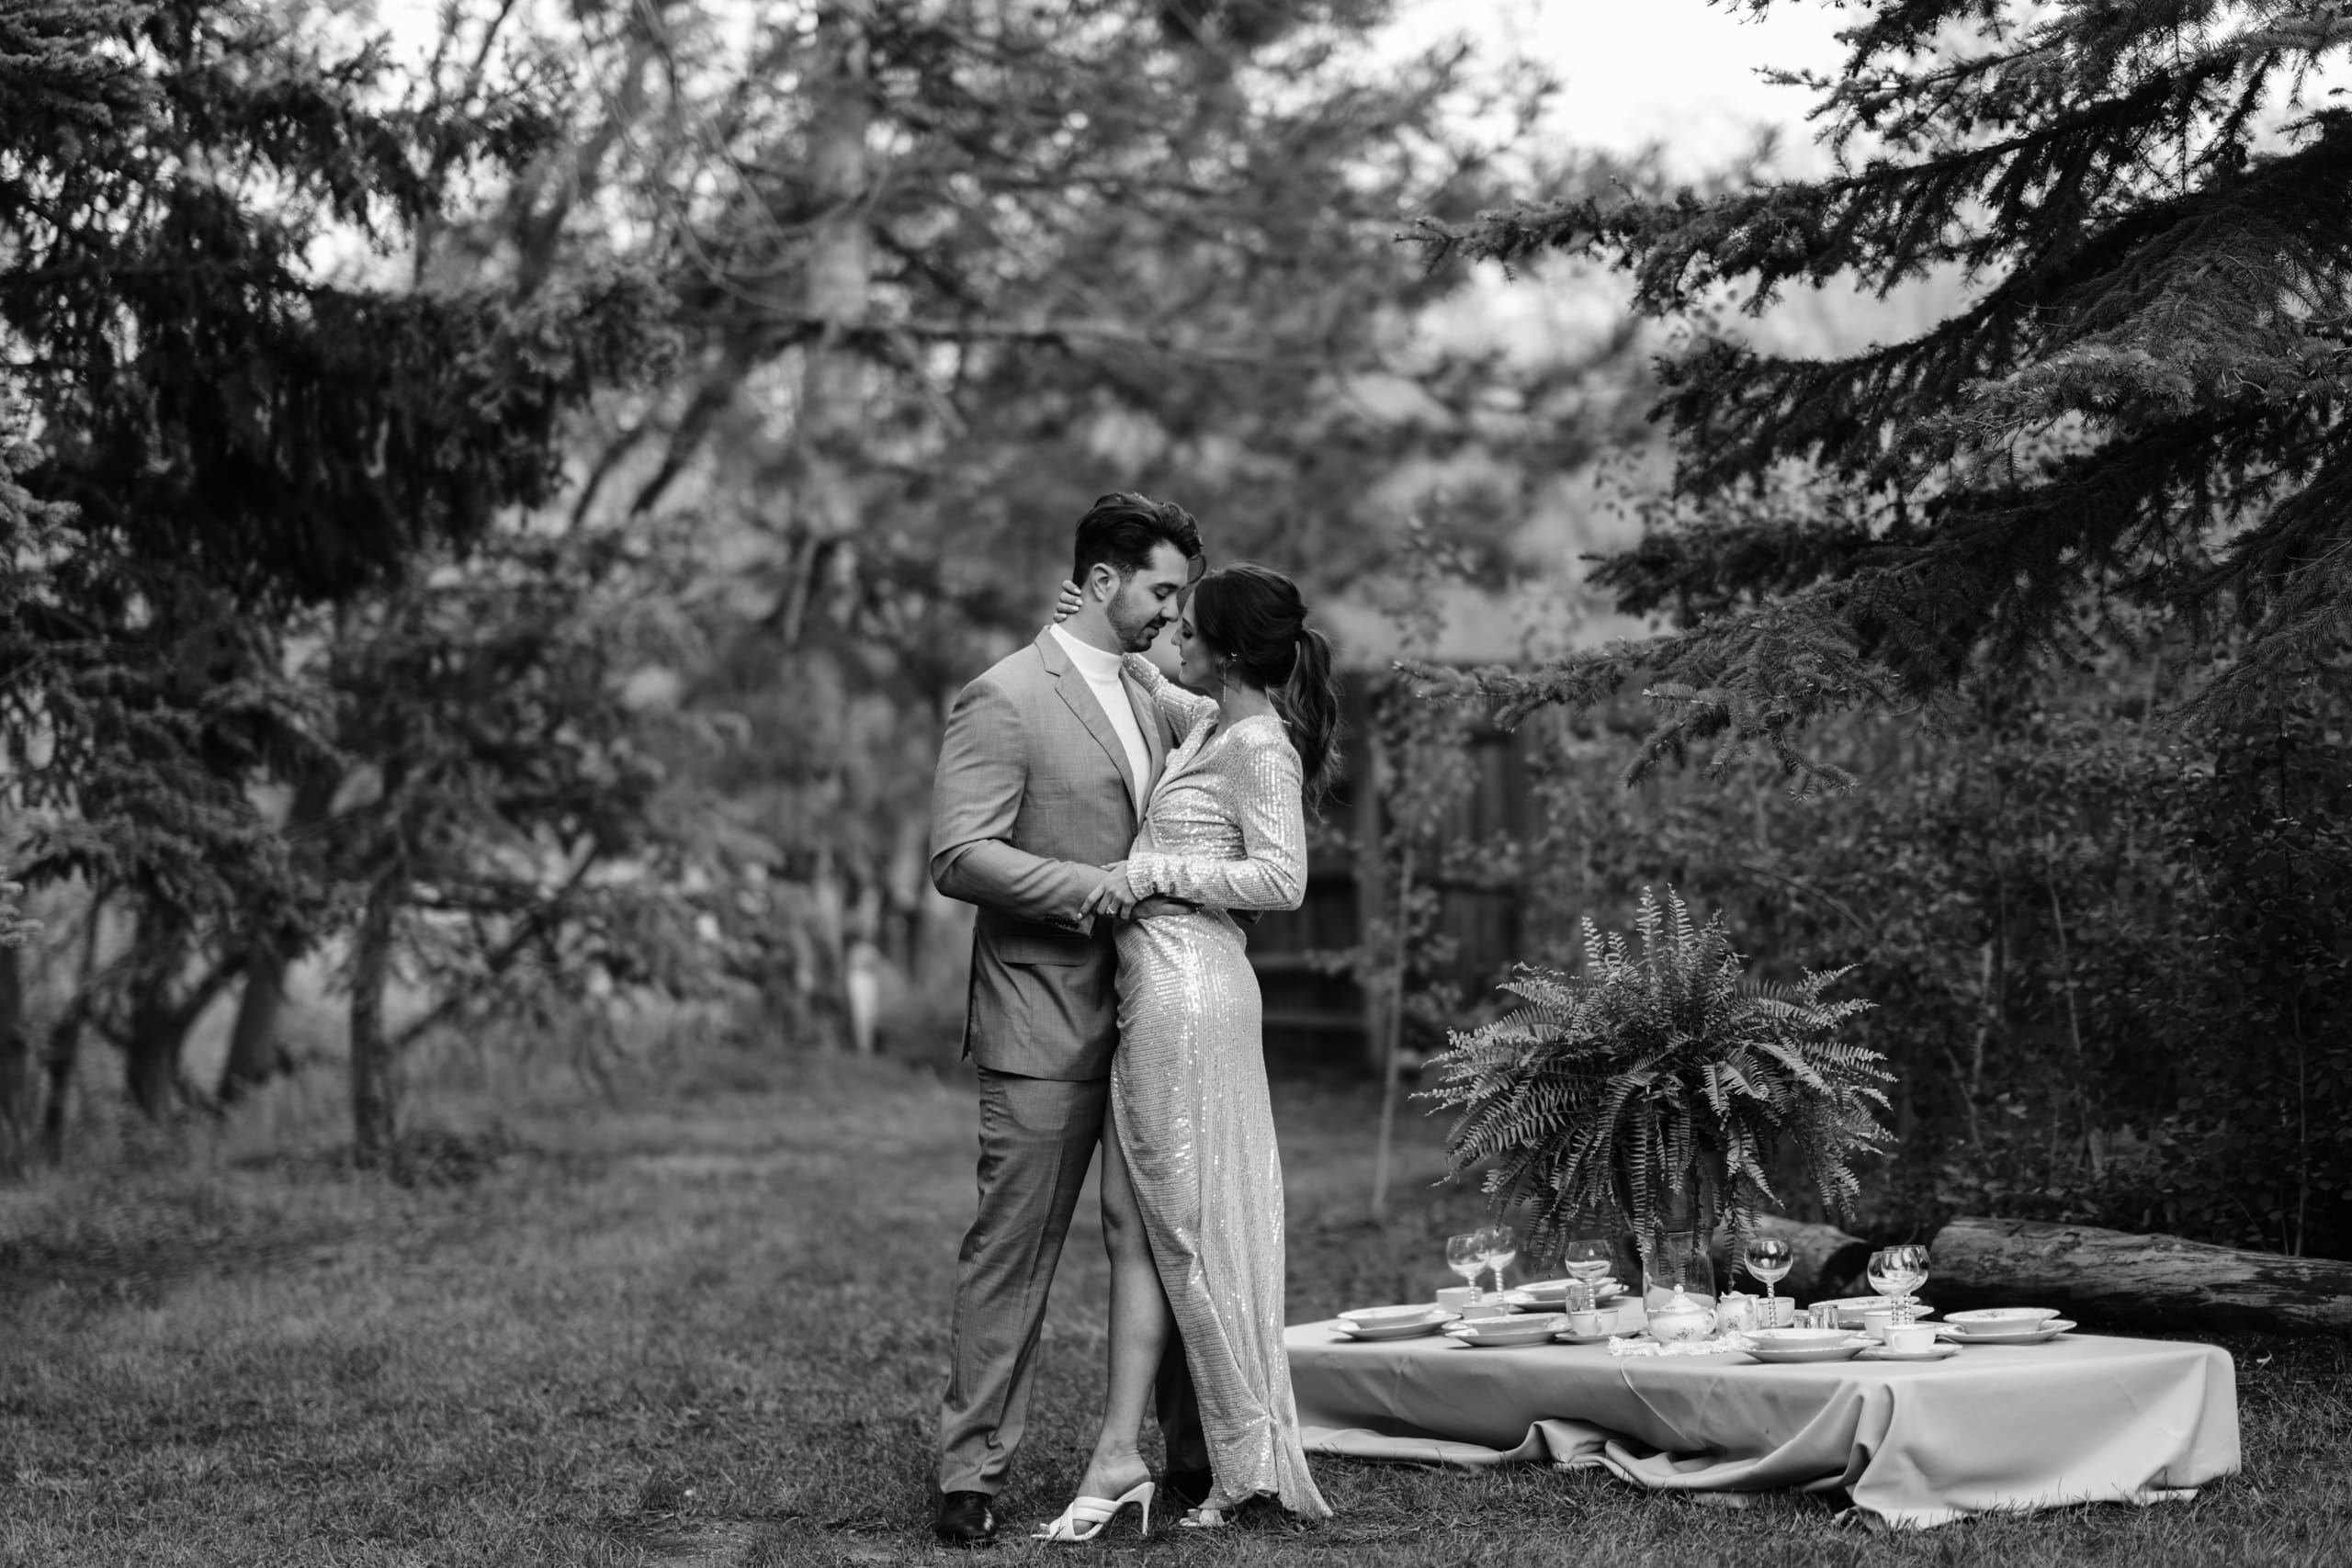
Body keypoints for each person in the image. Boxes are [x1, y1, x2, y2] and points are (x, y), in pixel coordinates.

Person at [1031, 559, 1340, 1539]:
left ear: (1233, 652)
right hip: (1161, 983)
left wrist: (1152, 869)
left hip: (1191, 990)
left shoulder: (1260, 746)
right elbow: (1149, 678)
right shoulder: (1209, 720)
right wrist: (1092, 627)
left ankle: (1239, 1456)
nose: (1178, 639)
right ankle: (1126, 1453)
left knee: (1184, 1224)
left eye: (1192, 630)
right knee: (1136, 1217)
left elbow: (1282, 879)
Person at [925, 493, 1210, 1548]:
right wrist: (1095, 889)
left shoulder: (1152, 686)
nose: (1173, 613)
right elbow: (960, 854)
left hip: (1155, 1018)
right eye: (1162, 591)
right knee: (1014, 1250)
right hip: (1040, 1017)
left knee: (1168, 1240)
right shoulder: (1003, 695)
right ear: (1101, 581)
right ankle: (969, 1472)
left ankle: (1194, 1452)